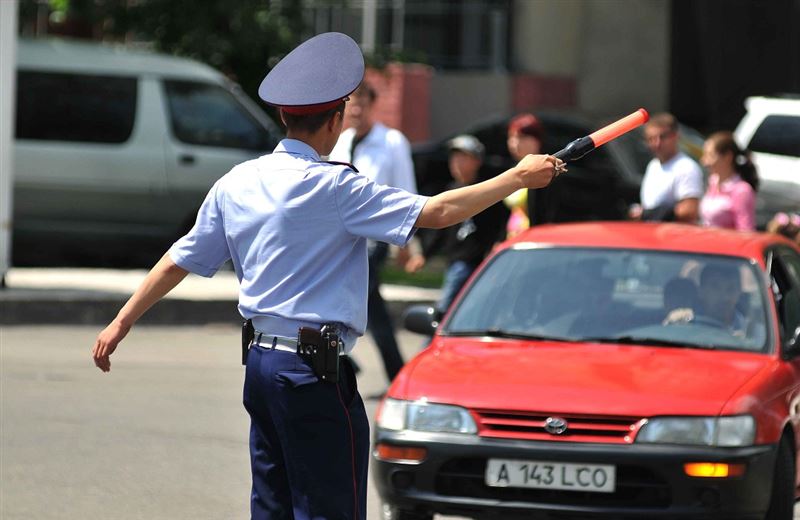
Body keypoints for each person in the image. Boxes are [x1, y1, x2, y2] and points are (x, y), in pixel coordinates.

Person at [91, 32, 560, 520]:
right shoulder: (334, 186)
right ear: (336, 120)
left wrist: (120, 322)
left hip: (262, 368)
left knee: (272, 506)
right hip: (311, 373)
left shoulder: (237, 182)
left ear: (282, 116)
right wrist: (516, 178)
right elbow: (438, 211)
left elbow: (178, 259)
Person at [328, 81, 416, 383]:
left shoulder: (391, 142)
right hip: (340, 238)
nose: (355, 108)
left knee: (364, 302)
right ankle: (353, 362)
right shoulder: (340, 141)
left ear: (371, 104)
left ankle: (391, 373)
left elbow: (406, 190)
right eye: (350, 102)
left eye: (361, 101)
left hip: (374, 238)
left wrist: (406, 244)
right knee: (362, 304)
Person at [405, 135, 510, 315]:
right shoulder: (451, 191)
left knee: (447, 310)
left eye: (463, 158)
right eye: (454, 158)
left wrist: (499, 242)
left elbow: (501, 221)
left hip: (476, 261)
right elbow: (440, 229)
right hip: (455, 261)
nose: (456, 163)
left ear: (477, 161)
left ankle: (432, 338)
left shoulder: (486, 191)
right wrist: (424, 254)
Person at [630, 112, 703, 223]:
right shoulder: (653, 165)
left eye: (662, 137)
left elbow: (689, 211)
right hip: (652, 235)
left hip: (675, 237)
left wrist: (650, 213)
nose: (657, 143)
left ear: (676, 136)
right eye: (651, 139)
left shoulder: (686, 167)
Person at [699, 131, 758, 231]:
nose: (704, 161)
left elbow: (745, 232)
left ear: (728, 157)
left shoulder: (742, 190)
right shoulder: (713, 182)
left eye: (710, 156)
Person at [505, 113, 544, 236]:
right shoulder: (513, 169)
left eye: (521, 137)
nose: (514, 143)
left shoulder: (545, 171)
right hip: (513, 240)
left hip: (534, 241)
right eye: (511, 137)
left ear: (537, 141)